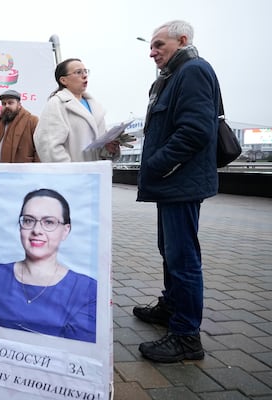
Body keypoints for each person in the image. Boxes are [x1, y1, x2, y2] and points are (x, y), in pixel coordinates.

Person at [133, 20, 219, 363]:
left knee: (183, 258)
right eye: (150, 48)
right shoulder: (172, 77)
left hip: (179, 181)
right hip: (172, 182)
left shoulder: (193, 71)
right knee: (169, 250)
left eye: (158, 45)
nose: (152, 52)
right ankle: (171, 308)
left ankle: (186, 337)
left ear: (182, 40)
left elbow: (196, 131)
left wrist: (155, 164)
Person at [0, 188, 96, 342]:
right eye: (28, 220)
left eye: (49, 222)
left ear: (65, 230)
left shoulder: (87, 289)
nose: (36, 230)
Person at [33, 58, 119, 162]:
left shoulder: (95, 106)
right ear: (63, 80)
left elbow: (99, 147)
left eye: (85, 71)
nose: (84, 75)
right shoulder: (57, 104)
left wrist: (108, 148)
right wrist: (71, 172)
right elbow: (48, 145)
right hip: (73, 175)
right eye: (78, 72)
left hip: (97, 174)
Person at [0, 89, 39, 162]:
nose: (7, 106)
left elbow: (40, 149)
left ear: (19, 105)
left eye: (10, 103)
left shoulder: (32, 121)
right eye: (4, 103)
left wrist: (35, 170)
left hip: (22, 172)